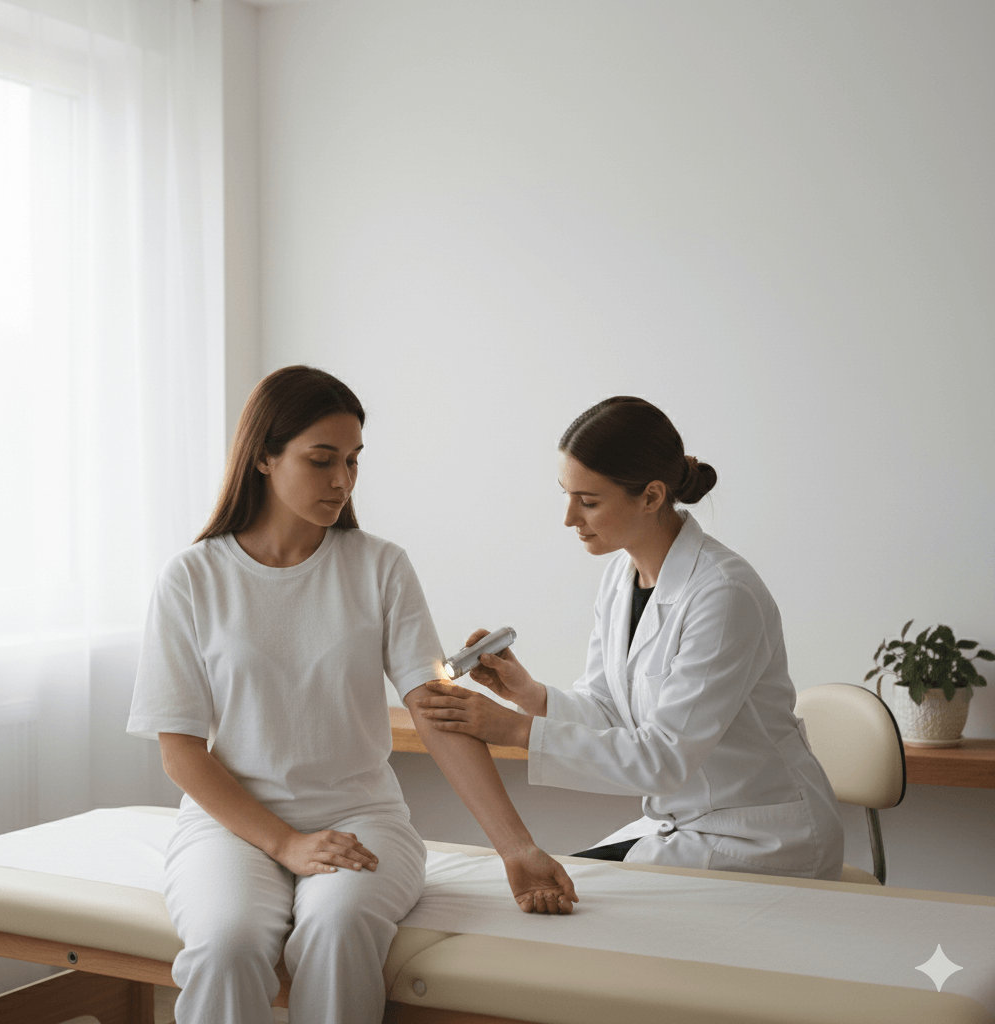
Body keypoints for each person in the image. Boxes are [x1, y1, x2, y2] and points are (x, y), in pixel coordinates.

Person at [126, 366, 576, 1024]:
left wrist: (516, 847)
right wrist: (283, 843)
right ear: (263, 457)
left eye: (353, 460)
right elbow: (182, 754)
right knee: (227, 944)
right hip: (230, 827)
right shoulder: (193, 578)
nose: (342, 480)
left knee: (336, 932)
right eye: (321, 460)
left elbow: (437, 713)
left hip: (361, 819)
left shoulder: (378, 566)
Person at [418, 396, 844, 880]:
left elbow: (661, 759)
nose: (568, 518)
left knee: (570, 896)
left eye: (589, 501)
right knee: (558, 884)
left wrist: (512, 730)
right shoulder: (622, 577)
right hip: (682, 824)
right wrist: (530, 696)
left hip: (759, 835)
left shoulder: (724, 595)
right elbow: (607, 710)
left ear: (651, 496)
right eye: (566, 494)